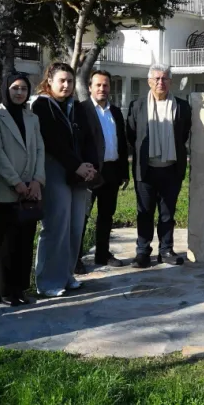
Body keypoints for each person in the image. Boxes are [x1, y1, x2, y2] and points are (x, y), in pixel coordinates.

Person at [32, 62, 98, 296]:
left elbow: (88, 137)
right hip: (56, 169)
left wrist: (89, 166)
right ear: (49, 81)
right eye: (62, 80)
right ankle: (48, 281)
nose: (66, 85)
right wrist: (76, 165)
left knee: (75, 227)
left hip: (79, 173)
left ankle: (66, 274)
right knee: (56, 226)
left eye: (70, 81)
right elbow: (52, 142)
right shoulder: (42, 106)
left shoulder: (77, 107)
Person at [0, 72, 46, 307]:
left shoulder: (32, 118)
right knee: (6, 242)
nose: (19, 92)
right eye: (15, 88)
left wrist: (37, 180)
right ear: (6, 89)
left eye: (23, 88)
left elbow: (40, 149)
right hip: (6, 188)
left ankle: (20, 287)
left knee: (25, 241)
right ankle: (4, 291)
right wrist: (16, 182)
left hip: (30, 188)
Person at [127, 64, 191, 268]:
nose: (160, 82)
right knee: (144, 212)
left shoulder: (182, 106)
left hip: (171, 169)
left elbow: (184, 134)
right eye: (156, 79)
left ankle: (166, 250)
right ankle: (142, 252)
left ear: (170, 82)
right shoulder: (137, 106)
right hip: (145, 170)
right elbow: (132, 135)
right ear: (149, 81)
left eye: (164, 78)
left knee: (167, 213)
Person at [79, 69, 130, 270]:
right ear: (90, 87)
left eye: (105, 85)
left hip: (112, 171)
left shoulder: (115, 111)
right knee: (82, 216)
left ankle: (102, 253)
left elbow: (121, 143)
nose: (102, 88)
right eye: (98, 85)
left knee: (106, 215)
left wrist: (124, 171)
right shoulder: (81, 110)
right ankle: (75, 258)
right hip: (89, 172)